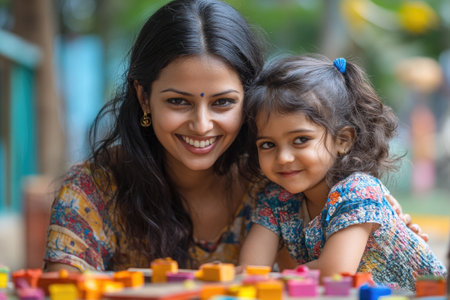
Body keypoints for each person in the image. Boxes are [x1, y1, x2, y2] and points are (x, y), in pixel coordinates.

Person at [44, 0, 426, 273]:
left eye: (224, 102)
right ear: (144, 96)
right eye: (178, 101)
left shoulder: (277, 182)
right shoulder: (93, 193)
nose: (202, 124)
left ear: (250, 101)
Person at [239, 55, 447, 291]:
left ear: (343, 140)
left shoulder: (358, 191)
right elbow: (251, 269)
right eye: (267, 144)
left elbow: (335, 273)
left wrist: (270, 277)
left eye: (300, 140)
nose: (283, 157)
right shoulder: (277, 198)